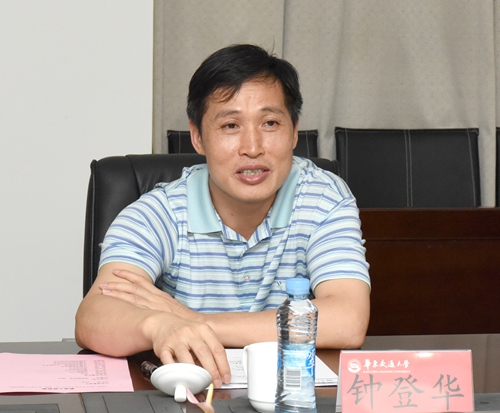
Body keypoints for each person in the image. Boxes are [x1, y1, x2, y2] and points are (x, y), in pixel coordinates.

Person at [75, 44, 370, 389]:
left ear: (294, 132)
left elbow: (348, 320)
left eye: (270, 123)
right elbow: (93, 317)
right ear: (198, 137)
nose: (252, 147)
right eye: (230, 125)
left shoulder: (323, 198)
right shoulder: (158, 213)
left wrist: (195, 322)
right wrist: (158, 326)